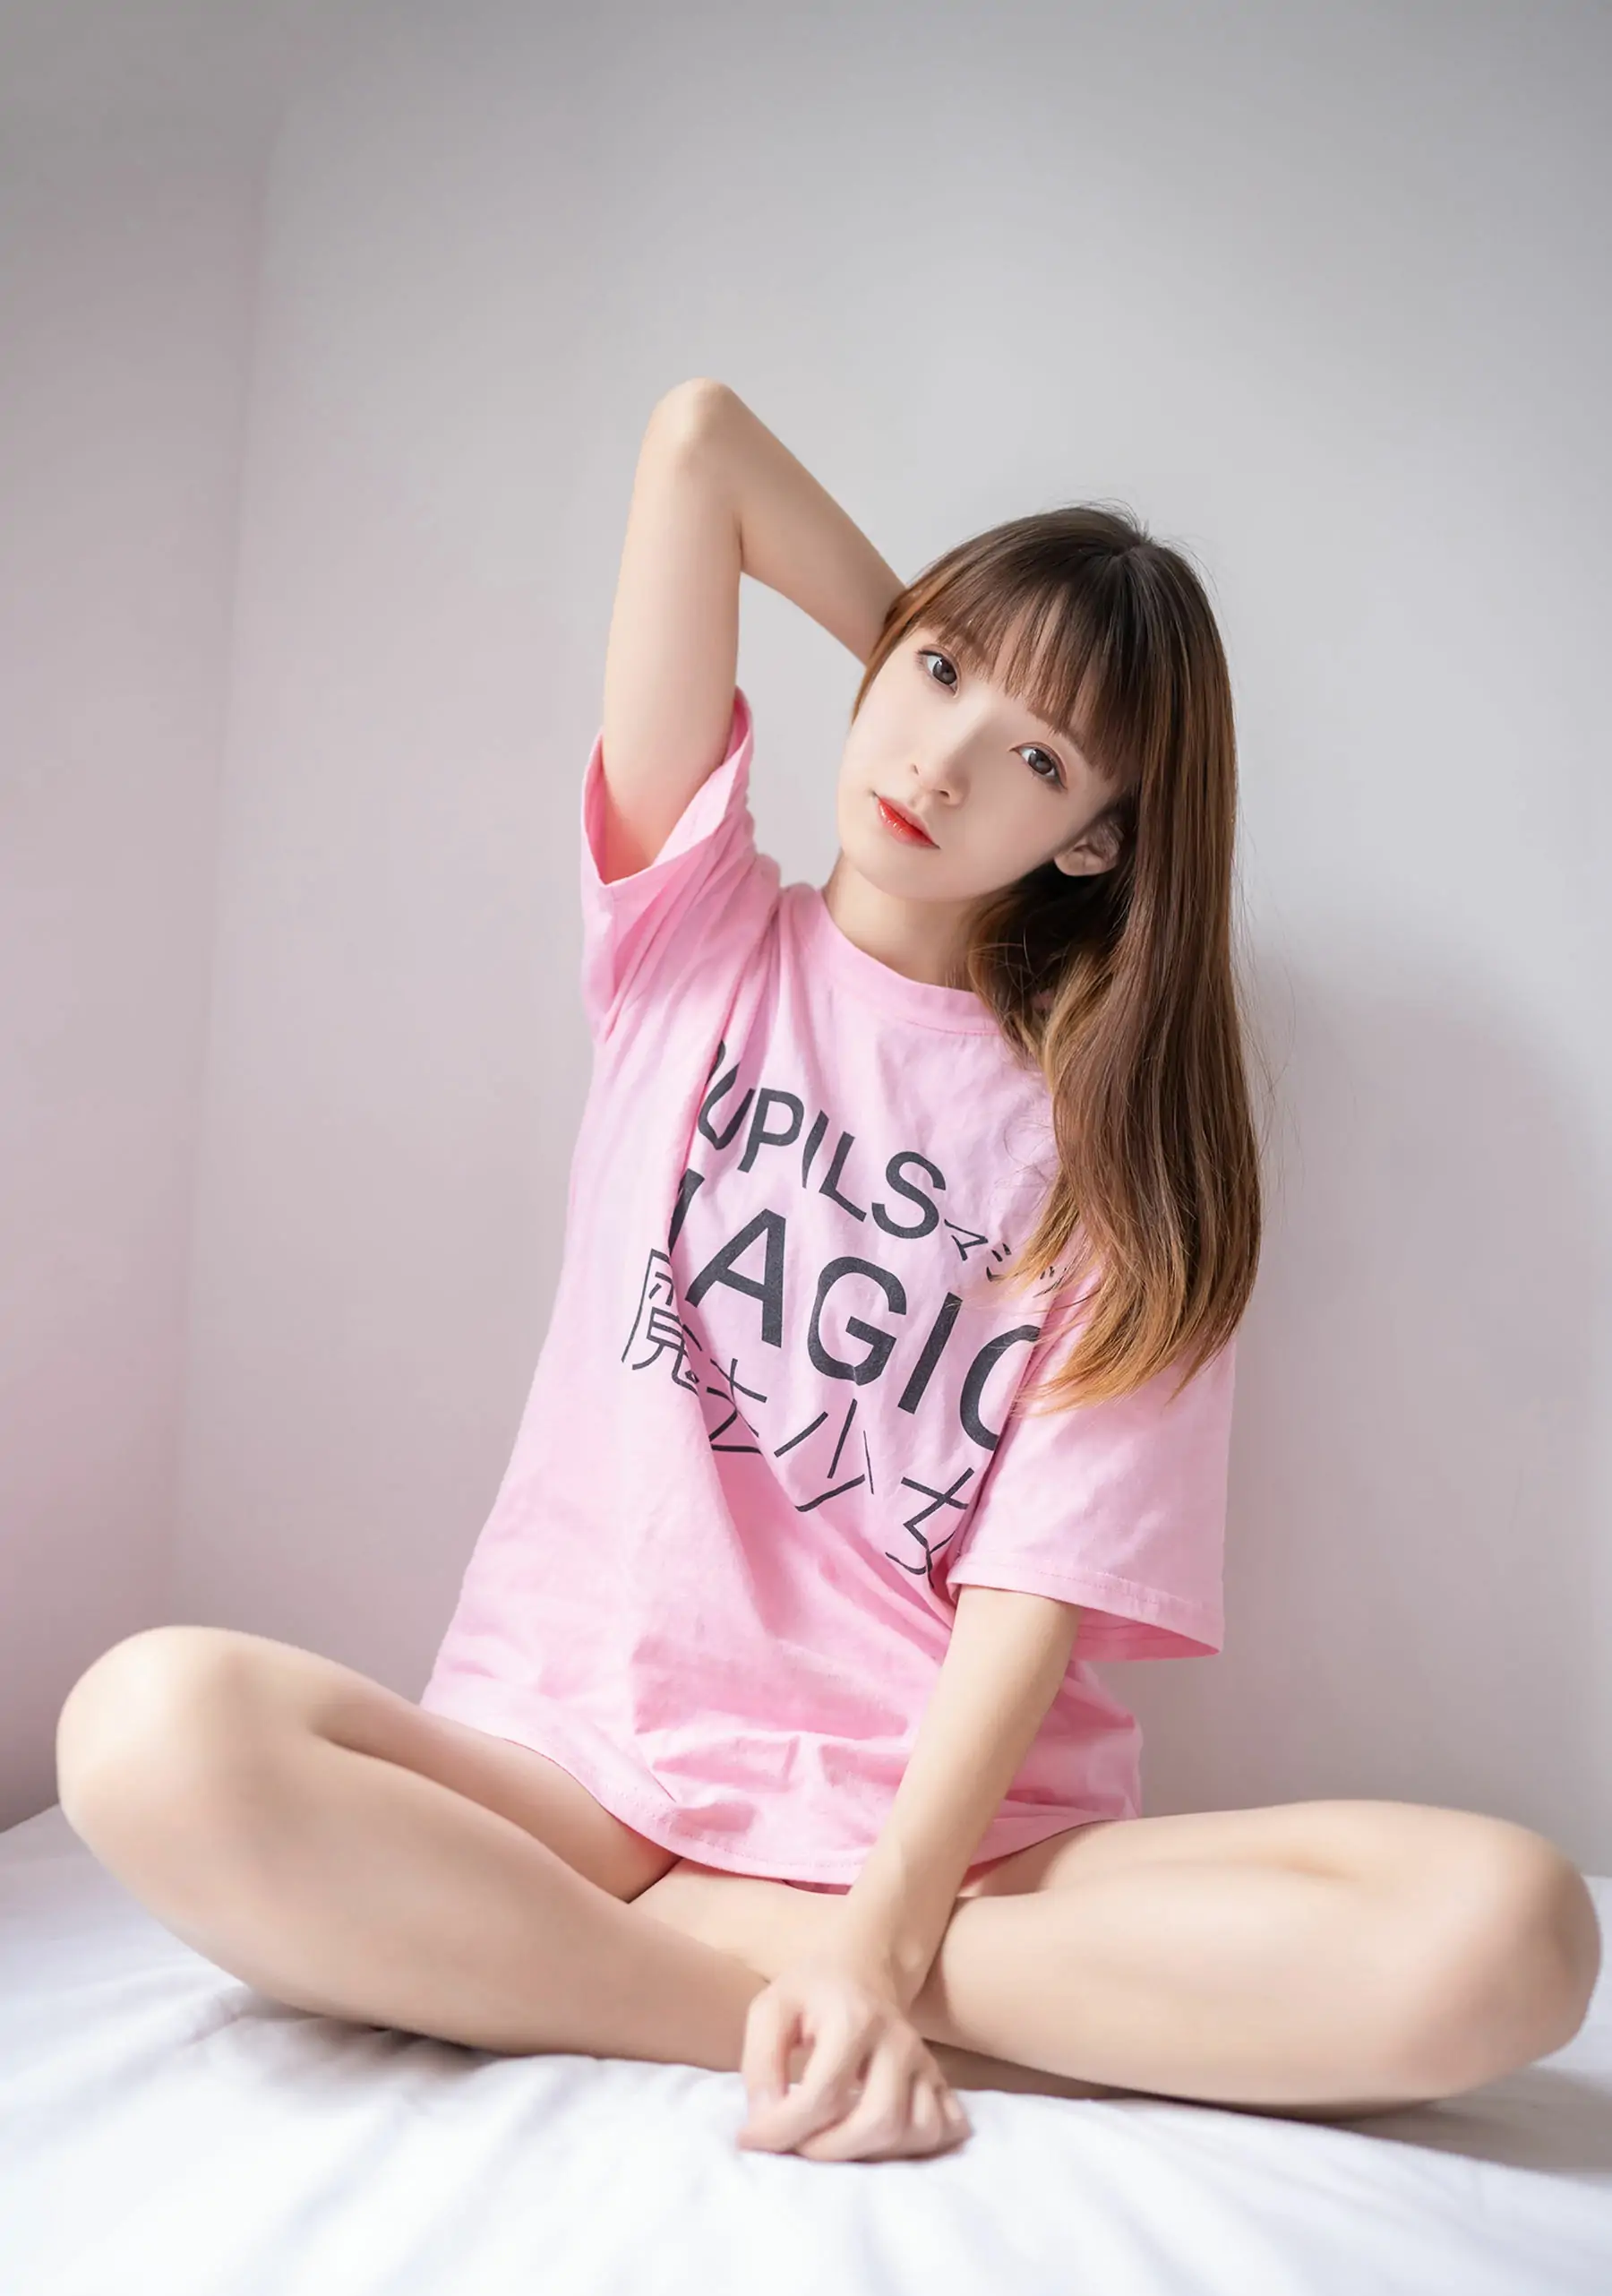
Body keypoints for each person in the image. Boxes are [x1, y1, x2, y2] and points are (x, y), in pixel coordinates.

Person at [55, 379, 1600, 2167]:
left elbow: (1031, 1596)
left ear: (1098, 840)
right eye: (938, 676)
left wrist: (877, 1929)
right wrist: (929, 655)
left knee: (1517, 1931)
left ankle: (698, 1961)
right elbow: (698, 445)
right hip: (583, 1780)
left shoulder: (1120, 1158)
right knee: (148, 1729)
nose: (942, 766)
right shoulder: (691, 935)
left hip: (953, 1843)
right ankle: (780, 2000)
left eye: (1039, 762)